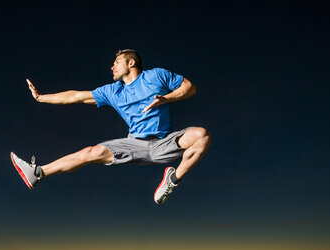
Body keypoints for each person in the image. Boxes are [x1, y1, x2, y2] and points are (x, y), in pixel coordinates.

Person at [11, 49, 210, 204]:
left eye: (116, 62)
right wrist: (41, 97)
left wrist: (165, 98)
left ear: (131, 63)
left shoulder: (156, 76)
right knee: (91, 152)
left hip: (162, 143)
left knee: (201, 136)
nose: (112, 67)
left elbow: (189, 87)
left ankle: (172, 181)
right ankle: (37, 173)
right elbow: (76, 96)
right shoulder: (113, 91)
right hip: (134, 144)